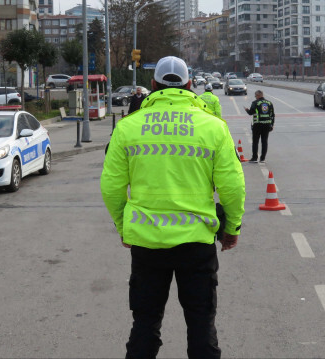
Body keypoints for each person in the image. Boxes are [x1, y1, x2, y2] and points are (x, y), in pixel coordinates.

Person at [100, 56, 245, 359]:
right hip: (196, 245)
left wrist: (123, 227)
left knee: (145, 324)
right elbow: (233, 187)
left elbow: (111, 187)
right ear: (190, 85)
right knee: (201, 325)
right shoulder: (214, 127)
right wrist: (231, 229)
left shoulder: (128, 128)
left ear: (153, 86)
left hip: (147, 245)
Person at [244, 90, 275, 163]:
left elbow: (251, 113)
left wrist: (246, 110)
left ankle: (254, 158)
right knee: (264, 141)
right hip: (267, 124)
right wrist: (272, 125)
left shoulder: (255, 103)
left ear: (258, 95)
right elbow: (272, 115)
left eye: (255, 96)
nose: (255, 97)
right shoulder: (269, 103)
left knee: (255, 141)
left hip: (257, 125)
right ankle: (262, 158)